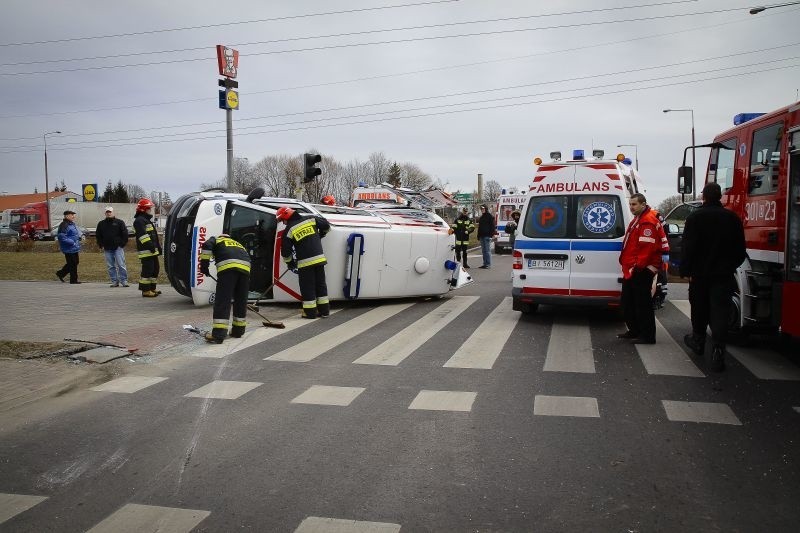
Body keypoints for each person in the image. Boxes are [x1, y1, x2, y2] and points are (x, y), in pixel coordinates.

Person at [680, 182, 746, 371]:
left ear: (704, 197)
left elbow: (688, 248)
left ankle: (698, 340)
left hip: (699, 275)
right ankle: (718, 349)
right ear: (720, 197)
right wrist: (729, 266)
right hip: (723, 275)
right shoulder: (732, 218)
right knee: (720, 311)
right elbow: (740, 250)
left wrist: (686, 271)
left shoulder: (695, 218)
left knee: (699, 308)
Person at [618, 193, 669, 344]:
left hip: (641, 269)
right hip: (634, 269)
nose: (631, 207)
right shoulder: (639, 219)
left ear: (643, 204)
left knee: (642, 305)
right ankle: (635, 330)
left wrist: (637, 267)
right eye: (630, 204)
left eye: (634, 204)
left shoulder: (647, 222)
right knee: (629, 302)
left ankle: (647, 335)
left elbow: (646, 249)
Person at [276, 205, 331, 319]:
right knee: (321, 285)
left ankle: (310, 313)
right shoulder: (311, 219)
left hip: (305, 264)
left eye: (283, 220)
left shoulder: (290, 229)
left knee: (307, 288)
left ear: (287, 216)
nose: (284, 223)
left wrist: (290, 263)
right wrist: (322, 234)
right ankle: (324, 311)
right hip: (319, 260)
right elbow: (326, 225)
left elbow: (285, 251)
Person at [199, 234, 251, 344]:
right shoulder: (237, 244)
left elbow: (207, 245)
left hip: (228, 270)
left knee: (223, 300)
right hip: (246, 270)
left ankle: (218, 335)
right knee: (240, 301)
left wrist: (204, 266)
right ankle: (238, 331)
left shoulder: (216, 239)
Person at [133, 198, 161, 298]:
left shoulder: (145, 220)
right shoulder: (139, 221)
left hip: (152, 250)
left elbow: (153, 236)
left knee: (155, 269)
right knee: (147, 270)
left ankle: (152, 288)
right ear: (143, 209)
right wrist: (151, 246)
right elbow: (143, 236)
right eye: (149, 208)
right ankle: (145, 290)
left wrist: (158, 248)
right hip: (146, 251)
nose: (150, 210)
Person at [96, 206, 129, 288]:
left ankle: (124, 281)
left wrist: (122, 244)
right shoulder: (101, 224)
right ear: (105, 213)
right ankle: (114, 281)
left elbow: (125, 234)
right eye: (107, 212)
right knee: (110, 266)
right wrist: (101, 245)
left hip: (118, 247)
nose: (108, 213)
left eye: (110, 212)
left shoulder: (119, 222)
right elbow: (98, 235)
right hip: (107, 248)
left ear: (113, 212)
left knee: (121, 264)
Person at [55, 210, 82, 284]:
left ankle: (61, 273)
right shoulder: (64, 224)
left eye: (73, 215)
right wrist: (72, 242)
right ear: (67, 216)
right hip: (68, 247)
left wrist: (78, 237)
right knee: (72, 264)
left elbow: (73, 233)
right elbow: (61, 236)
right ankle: (73, 280)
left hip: (74, 247)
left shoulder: (71, 224)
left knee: (75, 262)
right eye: (72, 215)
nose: (73, 216)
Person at [477, 204, 496, 269]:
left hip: (487, 236)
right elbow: (479, 227)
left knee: (487, 251)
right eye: (481, 209)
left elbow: (492, 226)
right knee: (483, 251)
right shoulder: (482, 217)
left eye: (483, 209)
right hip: (482, 236)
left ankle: (488, 264)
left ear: (486, 209)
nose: (482, 210)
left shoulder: (489, 216)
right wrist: (478, 235)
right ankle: (485, 264)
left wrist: (492, 234)